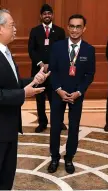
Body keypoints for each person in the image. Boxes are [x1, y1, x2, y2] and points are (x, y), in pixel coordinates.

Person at [0, 9, 49, 190]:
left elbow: (11, 83)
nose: (15, 29)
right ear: (0, 28)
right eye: (12, 25)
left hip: (8, 125)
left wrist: (34, 80)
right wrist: (24, 93)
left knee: (7, 173)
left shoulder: (4, 51)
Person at [48, 14, 95, 174]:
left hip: (76, 95)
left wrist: (79, 92)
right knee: (55, 127)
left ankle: (69, 158)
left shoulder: (89, 50)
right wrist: (59, 90)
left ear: (84, 29)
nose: (75, 30)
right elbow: (52, 71)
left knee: (74, 128)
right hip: (58, 93)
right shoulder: (57, 47)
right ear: (68, 27)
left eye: (78, 27)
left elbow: (90, 74)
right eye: (72, 26)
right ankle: (54, 157)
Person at [28, 3, 67, 133]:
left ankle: (58, 122)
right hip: (38, 71)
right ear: (41, 16)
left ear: (52, 15)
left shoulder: (60, 31)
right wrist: (40, 63)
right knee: (40, 99)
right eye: (45, 14)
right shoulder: (35, 31)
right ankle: (42, 123)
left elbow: (62, 50)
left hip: (54, 71)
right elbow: (31, 50)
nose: (47, 16)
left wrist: (51, 64)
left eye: (49, 13)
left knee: (55, 99)